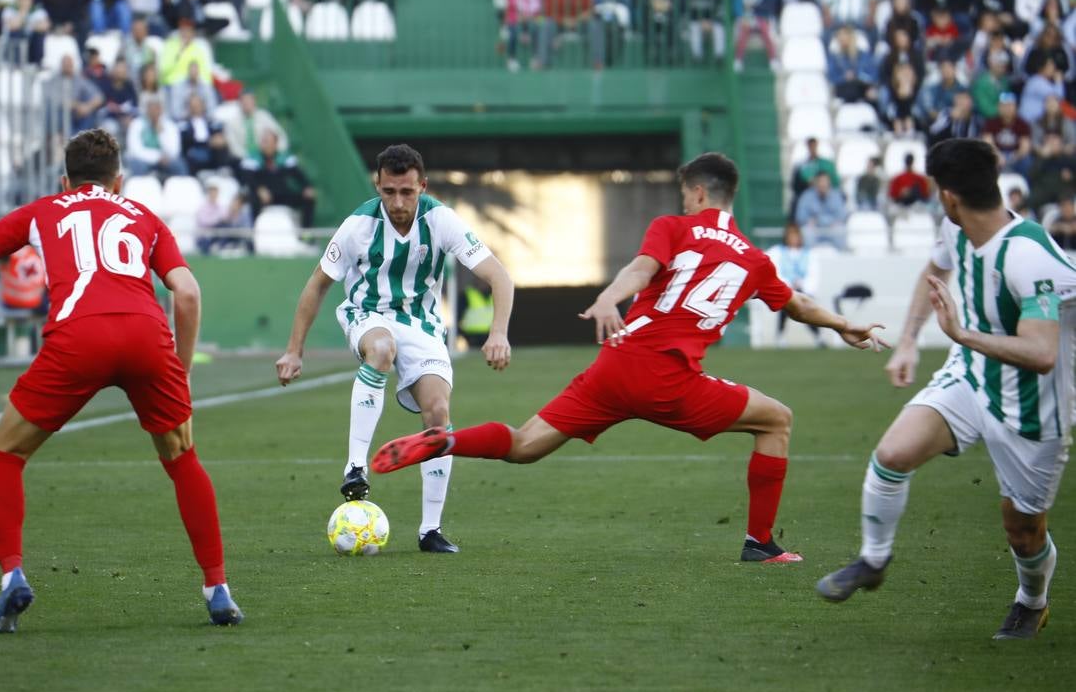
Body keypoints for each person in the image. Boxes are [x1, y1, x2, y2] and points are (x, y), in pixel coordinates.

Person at [370, 153, 887, 563]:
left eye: (687, 194)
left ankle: (449, 441)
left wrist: (609, 298)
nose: (684, 203)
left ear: (700, 192)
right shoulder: (754, 259)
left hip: (615, 364)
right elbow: (797, 304)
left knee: (526, 444)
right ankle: (760, 543)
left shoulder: (674, 227)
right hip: (670, 378)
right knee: (777, 420)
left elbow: (642, 269)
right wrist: (844, 325)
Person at [0, 129, 243, 631]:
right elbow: (186, 293)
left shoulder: (45, 209)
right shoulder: (143, 216)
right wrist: (180, 371)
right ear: (118, 181)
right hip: (147, 337)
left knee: (7, 455)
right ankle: (218, 589)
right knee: (182, 458)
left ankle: (13, 576)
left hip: (77, 338)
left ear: (65, 179)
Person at [817, 138, 1076, 640]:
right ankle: (873, 560)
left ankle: (1032, 600)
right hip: (970, 374)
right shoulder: (954, 228)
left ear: (950, 195)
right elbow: (933, 272)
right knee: (892, 453)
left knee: (1022, 530)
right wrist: (909, 342)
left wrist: (961, 335)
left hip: (1032, 403)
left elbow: (1042, 353)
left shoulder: (1030, 257)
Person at [275, 144, 515, 553]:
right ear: (378, 186)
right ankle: (355, 466)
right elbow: (318, 283)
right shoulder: (358, 226)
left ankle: (430, 530)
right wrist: (294, 350)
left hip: (421, 324)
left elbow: (499, 276)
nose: (399, 202)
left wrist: (498, 333)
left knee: (438, 412)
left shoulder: (441, 220)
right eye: (389, 192)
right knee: (381, 348)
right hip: (367, 315)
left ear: (422, 185)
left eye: (407, 192)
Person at [768, 223, 822, 347]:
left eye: (795, 235)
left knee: (808, 313)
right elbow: (774, 270)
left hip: (803, 290)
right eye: (790, 235)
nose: (793, 238)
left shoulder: (809, 254)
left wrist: (803, 285)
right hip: (786, 289)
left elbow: (813, 274)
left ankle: (818, 336)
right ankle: (780, 336)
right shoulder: (777, 252)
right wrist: (787, 285)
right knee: (785, 309)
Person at [795, 172, 849, 250]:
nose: (823, 185)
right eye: (820, 182)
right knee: (806, 231)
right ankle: (809, 257)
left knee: (840, 230)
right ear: (816, 183)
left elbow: (842, 215)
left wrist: (823, 220)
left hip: (831, 228)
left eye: (825, 182)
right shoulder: (806, 196)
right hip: (814, 229)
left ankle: (842, 255)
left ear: (829, 183)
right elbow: (800, 216)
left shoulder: (836, 195)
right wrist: (808, 221)